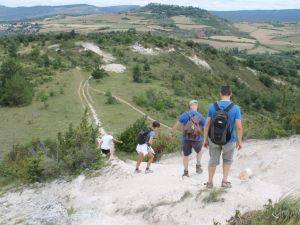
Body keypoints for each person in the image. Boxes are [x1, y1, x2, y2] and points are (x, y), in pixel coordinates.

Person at [203, 85, 243, 189]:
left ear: (220, 93)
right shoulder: (235, 108)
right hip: (229, 140)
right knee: (227, 160)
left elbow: (207, 124)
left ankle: (210, 182)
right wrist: (239, 141)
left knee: (213, 160)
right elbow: (239, 127)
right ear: (231, 94)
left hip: (213, 139)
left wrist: (205, 139)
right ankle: (224, 181)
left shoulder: (212, 106)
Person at [171, 100, 206, 177]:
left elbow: (176, 125)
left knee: (186, 155)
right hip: (197, 139)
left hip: (185, 138)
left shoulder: (184, 114)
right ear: (196, 106)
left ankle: (186, 172)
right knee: (199, 151)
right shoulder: (200, 116)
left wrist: (172, 133)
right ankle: (198, 166)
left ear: (189, 106)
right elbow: (206, 126)